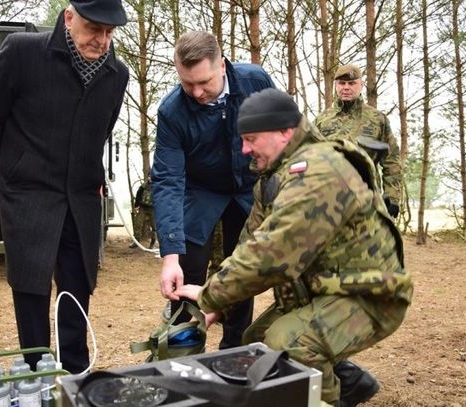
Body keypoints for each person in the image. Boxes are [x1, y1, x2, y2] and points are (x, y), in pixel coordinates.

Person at [174, 88, 413, 406]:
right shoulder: (274, 180)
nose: (244, 149)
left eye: (251, 139)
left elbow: (273, 254)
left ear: (284, 132)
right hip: (327, 289)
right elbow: (251, 244)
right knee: (255, 342)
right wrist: (220, 305)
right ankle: (349, 384)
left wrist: (209, 294)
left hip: (371, 293)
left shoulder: (317, 171)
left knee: (291, 342)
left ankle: (325, 398)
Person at [0, 0, 128, 373]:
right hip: (29, 194)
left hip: (81, 198)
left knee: (77, 287)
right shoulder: (22, 53)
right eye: (95, 29)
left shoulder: (116, 74)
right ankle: (38, 373)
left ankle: (74, 371)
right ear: (69, 17)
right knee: (30, 288)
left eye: (110, 32)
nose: (102, 41)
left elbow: (101, 132)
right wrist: (13, 168)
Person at [152, 31, 275, 349]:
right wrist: (170, 255)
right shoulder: (172, 111)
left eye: (203, 82)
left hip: (249, 188)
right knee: (187, 274)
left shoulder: (255, 81)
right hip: (201, 191)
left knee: (242, 270)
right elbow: (167, 181)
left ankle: (233, 353)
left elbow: (280, 137)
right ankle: (182, 353)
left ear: (222, 65)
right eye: (186, 83)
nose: (195, 92)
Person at [315, 64, 402, 218]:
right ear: (336, 86)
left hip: (367, 201)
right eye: (342, 83)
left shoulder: (377, 119)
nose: (346, 87)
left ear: (361, 85)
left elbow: (391, 160)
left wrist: (392, 197)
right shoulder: (322, 121)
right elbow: (311, 159)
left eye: (352, 83)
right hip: (330, 202)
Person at [130, 179, 157, 249]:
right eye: (149, 176)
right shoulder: (143, 186)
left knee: (154, 227)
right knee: (137, 223)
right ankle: (136, 241)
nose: (150, 178)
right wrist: (136, 206)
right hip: (143, 207)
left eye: (152, 176)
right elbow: (138, 195)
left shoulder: (157, 186)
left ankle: (152, 242)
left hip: (153, 208)